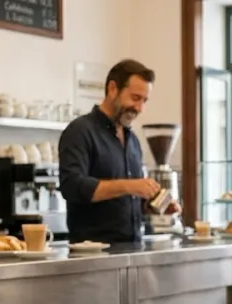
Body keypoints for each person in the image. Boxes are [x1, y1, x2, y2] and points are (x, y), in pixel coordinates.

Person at [58, 59, 180, 244]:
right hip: (92, 256)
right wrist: (130, 185)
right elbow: (72, 186)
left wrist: (155, 206)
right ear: (112, 89)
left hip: (132, 251)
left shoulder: (133, 142)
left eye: (144, 100)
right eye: (135, 98)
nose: (139, 108)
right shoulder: (79, 131)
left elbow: (129, 202)